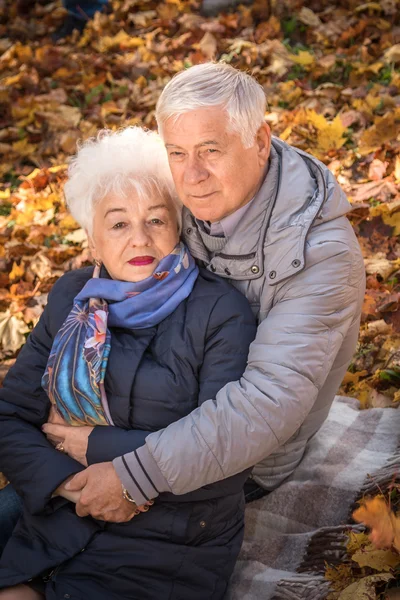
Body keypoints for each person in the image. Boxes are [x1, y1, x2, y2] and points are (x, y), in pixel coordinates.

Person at [0, 62, 366, 547]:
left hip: (241, 459)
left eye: (210, 151)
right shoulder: (184, 203)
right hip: (141, 420)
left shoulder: (321, 256)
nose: (191, 176)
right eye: (176, 152)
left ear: (260, 140)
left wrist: (122, 465)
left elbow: (264, 407)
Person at [0, 126, 256, 599]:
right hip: (59, 518)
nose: (139, 239)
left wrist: (97, 448)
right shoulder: (72, 299)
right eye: (118, 223)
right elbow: (10, 415)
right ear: (92, 238)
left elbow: (227, 456)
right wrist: (69, 484)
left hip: (172, 541)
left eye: (156, 220)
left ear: (179, 225)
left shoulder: (221, 313)